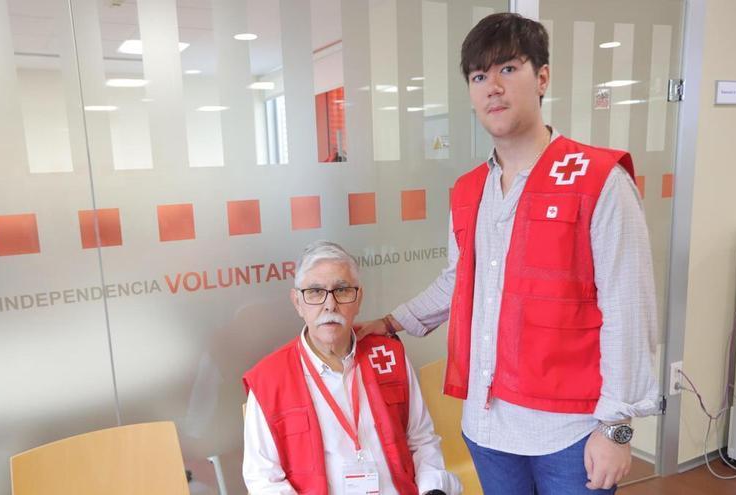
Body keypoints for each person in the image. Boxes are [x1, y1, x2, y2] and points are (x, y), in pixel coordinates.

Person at [356, 13, 659, 495]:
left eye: (508, 69)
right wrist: (391, 322)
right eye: (479, 76)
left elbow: (629, 307)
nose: (492, 87)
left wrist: (615, 427)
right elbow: (461, 279)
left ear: (542, 78)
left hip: (570, 433)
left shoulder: (598, 179)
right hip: (486, 428)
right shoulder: (468, 190)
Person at [243, 240, 462, 495]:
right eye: (315, 292)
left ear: (359, 299)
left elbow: (421, 440)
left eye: (342, 290)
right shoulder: (270, 379)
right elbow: (263, 479)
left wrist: (431, 489)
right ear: (297, 303)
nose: (330, 304)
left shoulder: (388, 356)